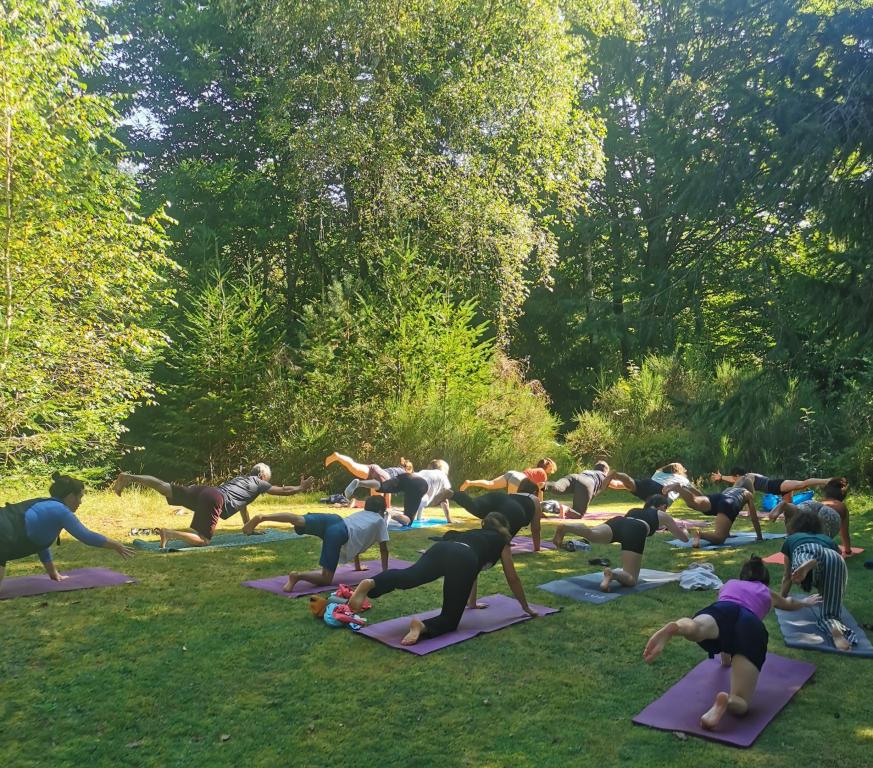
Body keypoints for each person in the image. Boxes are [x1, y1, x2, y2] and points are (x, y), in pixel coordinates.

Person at [643, 555, 821, 731]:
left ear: (742, 576)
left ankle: (678, 627)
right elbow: (788, 603)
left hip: (723, 610)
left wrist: (725, 658)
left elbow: (727, 626)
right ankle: (727, 702)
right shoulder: (767, 592)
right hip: (750, 625)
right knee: (741, 700)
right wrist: (804, 603)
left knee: (697, 627)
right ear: (764, 580)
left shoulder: (730, 584)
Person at [347, 511, 536, 645]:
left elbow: (473, 575)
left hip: (443, 549)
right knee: (450, 620)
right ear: (504, 527)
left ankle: (371, 583)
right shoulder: (501, 541)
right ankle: (421, 626)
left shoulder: (473, 533)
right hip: (464, 559)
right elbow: (512, 577)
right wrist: (525, 607)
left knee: (409, 577)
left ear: (484, 524)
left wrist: (472, 604)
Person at [113, 464, 314, 548]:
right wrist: (301, 487)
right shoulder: (259, 482)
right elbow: (285, 491)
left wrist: (248, 528)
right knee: (203, 540)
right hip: (215, 499)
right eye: (267, 480)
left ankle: (130, 477)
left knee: (166, 487)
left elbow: (243, 505)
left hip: (205, 491)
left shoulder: (241, 480)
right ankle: (170, 533)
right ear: (262, 477)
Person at [0, 473, 134, 589]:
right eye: (80, 497)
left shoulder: (48, 506)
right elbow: (86, 536)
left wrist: (52, 573)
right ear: (71, 496)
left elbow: (40, 541)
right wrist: (116, 545)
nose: (80, 502)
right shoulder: (60, 511)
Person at [242, 495, 391, 592]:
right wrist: (385, 573)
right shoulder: (379, 521)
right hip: (338, 533)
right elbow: (384, 550)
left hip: (334, 519)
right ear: (380, 510)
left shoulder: (361, 514)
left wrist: (358, 566)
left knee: (296, 519)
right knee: (326, 579)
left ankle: (263, 517)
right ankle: (297, 576)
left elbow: (359, 541)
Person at [551, 495, 688, 591]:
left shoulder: (634, 510)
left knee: (592, 535)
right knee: (631, 579)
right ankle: (613, 574)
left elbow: (627, 523)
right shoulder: (662, 515)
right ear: (663, 506)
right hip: (636, 529)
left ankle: (567, 527)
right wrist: (685, 530)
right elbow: (683, 538)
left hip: (618, 522)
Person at [780, 510, 854, 651]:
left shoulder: (792, 539)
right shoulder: (827, 539)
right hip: (835, 557)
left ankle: (807, 563)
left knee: (801, 561)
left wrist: (782, 598)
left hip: (807, 550)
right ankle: (834, 628)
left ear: (794, 525)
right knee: (829, 613)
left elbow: (787, 576)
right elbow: (838, 560)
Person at [347, 459, 453, 525]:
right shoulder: (443, 476)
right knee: (408, 520)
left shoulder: (427, 471)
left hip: (408, 476)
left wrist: (420, 517)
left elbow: (420, 502)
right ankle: (391, 513)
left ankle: (359, 483)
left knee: (382, 486)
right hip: (419, 484)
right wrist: (449, 519)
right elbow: (445, 500)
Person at [664, 477, 762, 547]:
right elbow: (753, 517)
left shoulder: (729, 489)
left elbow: (723, 509)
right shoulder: (747, 493)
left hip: (718, 497)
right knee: (719, 539)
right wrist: (759, 537)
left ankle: (679, 489)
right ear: (750, 488)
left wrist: (726, 531)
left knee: (693, 501)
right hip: (729, 503)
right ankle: (700, 534)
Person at [446, 489, 545, 550]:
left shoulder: (515, 494)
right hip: (514, 510)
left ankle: (454, 494)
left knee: (475, 506)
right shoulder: (534, 499)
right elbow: (536, 529)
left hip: (499, 498)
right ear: (534, 491)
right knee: (497, 540)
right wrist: (537, 548)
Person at [324, 452, 413, 508]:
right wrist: (389, 506)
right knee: (379, 505)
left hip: (375, 469)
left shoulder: (395, 469)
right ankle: (356, 499)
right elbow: (389, 486)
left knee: (353, 465)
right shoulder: (404, 474)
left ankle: (338, 456)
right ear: (409, 470)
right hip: (382, 478)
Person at [460, 459, 558, 497]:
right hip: (517, 479)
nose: (551, 471)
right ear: (548, 467)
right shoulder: (543, 474)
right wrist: (539, 506)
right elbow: (540, 490)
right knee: (511, 502)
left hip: (513, 473)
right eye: (551, 469)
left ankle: (469, 483)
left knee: (490, 484)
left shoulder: (533, 470)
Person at [543, 462, 610, 518]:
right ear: (606, 471)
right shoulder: (604, 476)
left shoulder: (588, 471)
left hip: (574, 477)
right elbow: (616, 484)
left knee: (557, 487)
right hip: (587, 483)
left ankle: (544, 485)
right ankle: (559, 507)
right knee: (578, 514)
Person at [710, 468, 833, 497]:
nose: (734, 480)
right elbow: (733, 479)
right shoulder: (745, 476)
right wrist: (721, 478)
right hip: (776, 489)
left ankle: (826, 481)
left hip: (776, 485)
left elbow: (748, 489)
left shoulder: (748, 477)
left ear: (738, 475)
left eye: (735, 477)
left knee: (803, 483)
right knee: (788, 511)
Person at [606, 462, 690, 503]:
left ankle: (617, 474)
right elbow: (691, 495)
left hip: (649, 483)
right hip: (661, 490)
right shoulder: (683, 479)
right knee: (658, 507)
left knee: (631, 483)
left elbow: (617, 485)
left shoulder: (661, 473)